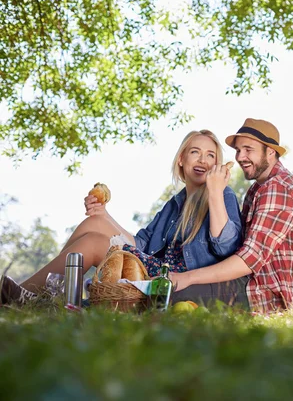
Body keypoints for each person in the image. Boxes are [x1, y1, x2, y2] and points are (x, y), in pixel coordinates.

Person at [1, 130, 243, 305]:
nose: (203, 160)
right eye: (195, 152)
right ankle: (40, 293)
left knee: (94, 243)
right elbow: (142, 245)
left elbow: (225, 248)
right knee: (93, 223)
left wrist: (215, 192)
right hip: (152, 266)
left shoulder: (223, 195)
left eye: (211, 155)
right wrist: (104, 215)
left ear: (216, 164)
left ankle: (26, 297)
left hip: (170, 277)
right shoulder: (175, 204)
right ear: (181, 159)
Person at [170, 118, 293, 313]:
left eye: (249, 150)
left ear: (270, 152)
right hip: (248, 286)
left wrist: (188, 277)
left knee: (171, 295)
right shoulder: (258, 189)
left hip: (265, 298)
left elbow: (248, 259)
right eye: (238, 150)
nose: (240, 157)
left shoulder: (278, 189)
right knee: (168, 290)